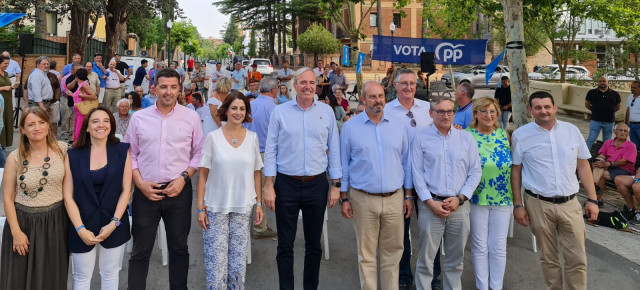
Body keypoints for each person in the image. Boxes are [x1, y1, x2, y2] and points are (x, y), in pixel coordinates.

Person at [263, 67, 342, 290]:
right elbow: (271, 150)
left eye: (311, 82)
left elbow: (334, 150)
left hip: (316, 184)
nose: (307, 86)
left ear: (316, 85)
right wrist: (269, 185)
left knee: (313, 246)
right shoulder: (280, 112)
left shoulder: (326, 112)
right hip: (286, 184)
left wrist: (336, 185)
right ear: (294, 85)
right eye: (302, 82)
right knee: (285, 246)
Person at [511, 91, 599, 290]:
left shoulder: (572, 131)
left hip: (570, 204)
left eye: (547, 106)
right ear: (530, 110)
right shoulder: (521, 135)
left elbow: (583, 166)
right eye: (538, 107)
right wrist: (518, 205)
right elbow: (516, 171)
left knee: (577, 259)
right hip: (537, 204)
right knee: (549, 259)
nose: (543, 111)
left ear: (555, 108)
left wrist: (593, 200)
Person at [125, 68, 204, 289]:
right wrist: (139, 184)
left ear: (180, 89)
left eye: (173, 87)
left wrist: (184, 178)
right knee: (140, 251)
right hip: (146, 190)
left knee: (179, 248)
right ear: (154, 88)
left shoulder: (191, 117)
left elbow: (199, 153)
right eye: (163, 87)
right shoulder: (139, 118)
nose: (168, 92)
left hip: (178, 190)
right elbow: (131, 154)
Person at [339, 81, 413, 290]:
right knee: (367, 254)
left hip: (395, 199)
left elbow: (406, 163)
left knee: (392, 254)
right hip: (363, 199)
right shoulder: (350, 127)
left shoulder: (399, 126)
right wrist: (344, 198)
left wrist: (408, 196)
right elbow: (344, 165)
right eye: (372, 97)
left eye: (381, 96)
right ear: (363, 99)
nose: (378, 100)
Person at [411, 95, 482, 290]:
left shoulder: (466, 137)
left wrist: (460, 198)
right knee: (426, 259)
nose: (446, 115)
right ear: (431, 113)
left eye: (450, 111)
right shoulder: (420, 138)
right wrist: (429, 202)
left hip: (459, 206)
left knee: (455, 260)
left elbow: (476, 171)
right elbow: (416, 173)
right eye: (441, 111)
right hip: (430, 205)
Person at [196, 92, 263, 288]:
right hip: (215, 207)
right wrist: (200, 208)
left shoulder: (252, 138)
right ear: (226, 110)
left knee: (238, 263)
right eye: (234, 108)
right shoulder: (213, 137)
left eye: (242, 109)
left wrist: (259, 203)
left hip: (243, 207)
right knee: (216, 264)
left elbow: (256, 173)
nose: (238, 112)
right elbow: (203, 175)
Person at [63, 107, 132, 289]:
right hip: (82, 223)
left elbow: (126, 191)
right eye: (95, 121)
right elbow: (68, 196)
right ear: (86, 127)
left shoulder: (122, 150)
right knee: (81, 276)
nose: (101, 125)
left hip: (114, 221)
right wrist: (80, 228)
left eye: (106, 121)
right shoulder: (73, 155)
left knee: (110, 273)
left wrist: (114, 223)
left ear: (111, 126)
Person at [0, 107, 69, 289]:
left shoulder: (63, 150)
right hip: (24, 224)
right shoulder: (14, 158)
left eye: (41, 122)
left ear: (48, 125)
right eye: (31, 124)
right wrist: (16, 232)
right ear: (22, 129)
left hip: (55, 222)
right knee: (19, 278)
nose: (37, 128)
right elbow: (7, 197)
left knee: (51, 276)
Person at [383, 68, 436, 290]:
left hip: (428, 180)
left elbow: (442, 131)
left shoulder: (427, 109)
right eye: (403, 83)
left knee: (431, 233)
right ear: (395, 86)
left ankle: (434, 276)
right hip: (398, 179)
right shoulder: (385, 110)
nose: (408, 87)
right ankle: (404, 276)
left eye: (412, 83)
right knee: (400, 233)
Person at [465, 97, 513, 290]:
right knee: (479, 246)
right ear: (475, 113)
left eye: (492, 111)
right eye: (483, 111)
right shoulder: (466, 135)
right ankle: (482, 286)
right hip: (477, 197)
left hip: (503, 198)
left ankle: (496, 286)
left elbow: (515, 167)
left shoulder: (504, 135)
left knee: (498, 246)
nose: (488, 115)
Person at [245, 77, 279, 239]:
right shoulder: (275, 109)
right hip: (267, 154)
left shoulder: (250, 105)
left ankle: (257, 225)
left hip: (250, 153)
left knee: (255, 191)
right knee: (265, 190)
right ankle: (259, 227)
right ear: (274, 90)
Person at [592, 123, 636, 206]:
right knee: (598, 166)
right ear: (614, 131)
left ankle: (596, 193)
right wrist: (599, 160)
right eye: (620, 130)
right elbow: (602, 155)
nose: (623, 132)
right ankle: (596, 191)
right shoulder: (608, 142)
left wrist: (607, 164)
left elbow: (623, 161)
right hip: (609, 167)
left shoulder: (631, 146)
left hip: (624, 170)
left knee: (600, 173)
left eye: (625, 131)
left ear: (628, 134)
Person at [585, 76, 621, 150]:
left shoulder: (615, 94)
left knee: (607, 141)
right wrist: (595, 110)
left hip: (609, 121)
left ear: (608, 82)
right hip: (595, 120)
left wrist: (609, 111)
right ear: (598, 82)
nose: (602, 83)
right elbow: (587, 105)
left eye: (604, 81)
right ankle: (584, 155)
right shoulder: (591, 92)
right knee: (591, 139)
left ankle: (604, 156)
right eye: (600, 81)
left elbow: (618, 107)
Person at [72, 68, 98, 141]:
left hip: (82, 111)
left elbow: (94, 96)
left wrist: (82, 96)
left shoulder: (84, 85)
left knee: (79, 130)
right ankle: (77, 143)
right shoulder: (81, 84)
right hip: (78, 111)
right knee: (77, 129)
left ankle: (78, 144)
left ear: (77, 76)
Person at [0, 56, 18, 149]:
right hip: (0, 102)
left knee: (7, 120)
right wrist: (3, 88)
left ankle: (5, 143)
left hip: (7, 101)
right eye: (5, 64)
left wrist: (12, 87)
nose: (7, 65)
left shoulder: (6, 73)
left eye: (8, 64)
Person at [624, 80, 640, 148]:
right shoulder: (630, 97)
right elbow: (628, 110)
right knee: (634, 145)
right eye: (631, 87)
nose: (632, 89)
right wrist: (626, 124)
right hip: (631, 125)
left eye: (634, 88)